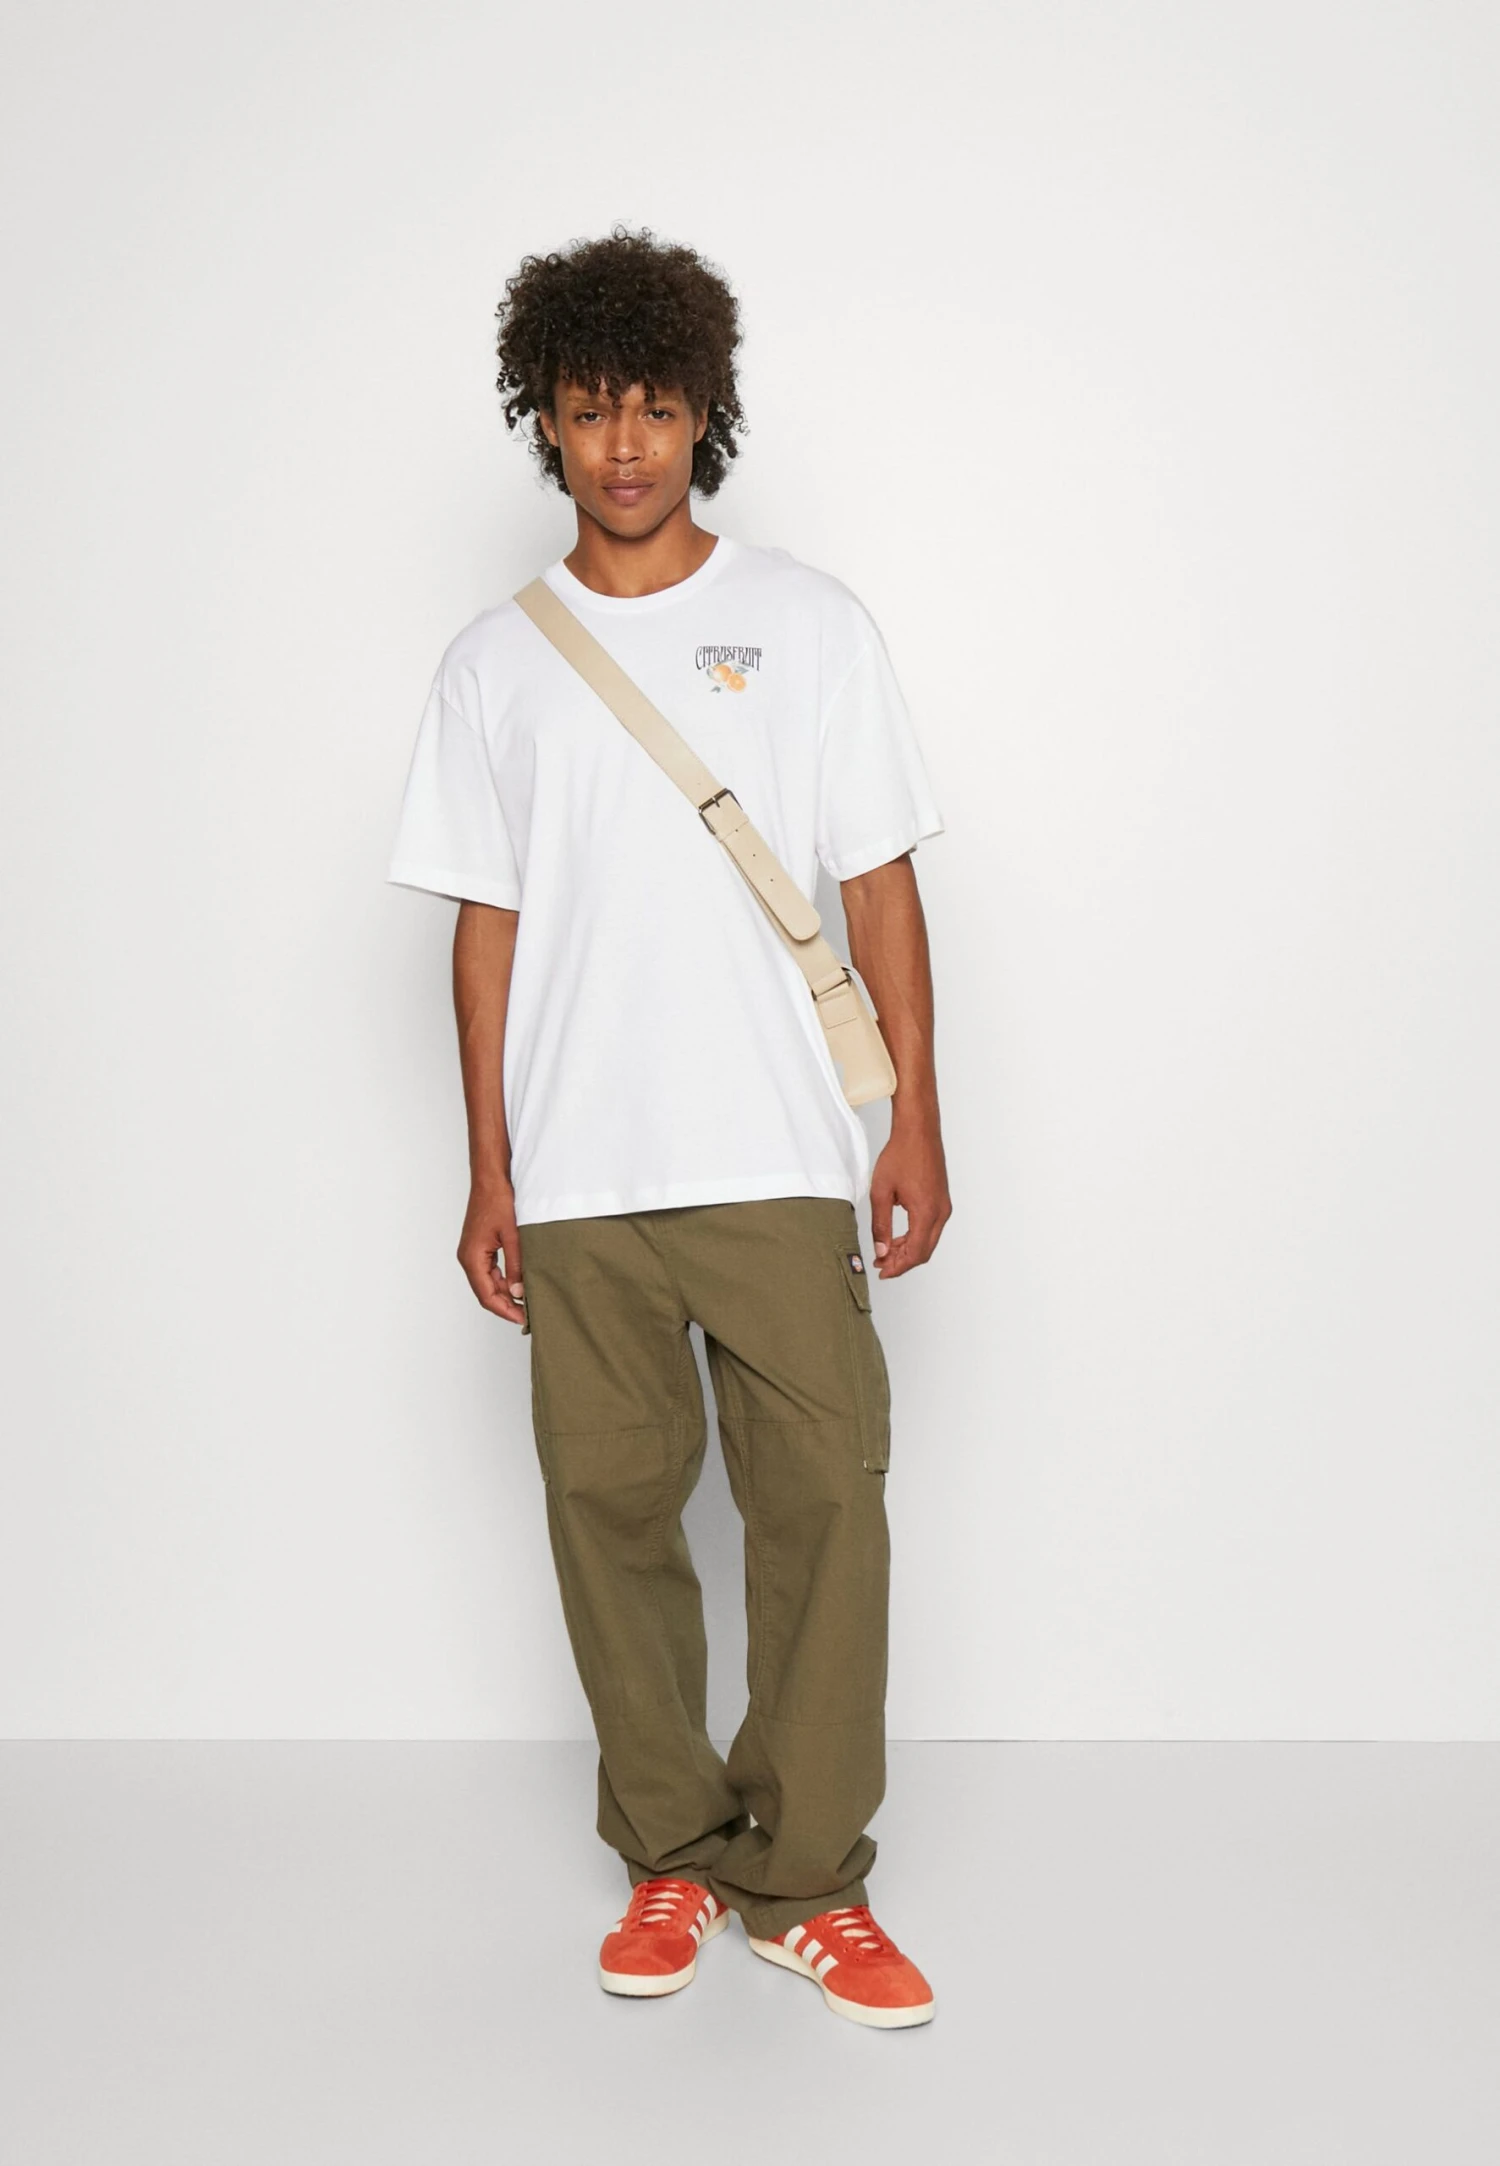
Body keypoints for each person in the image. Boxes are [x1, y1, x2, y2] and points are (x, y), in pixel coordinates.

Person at [387, 225, 951, 2030]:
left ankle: (810, 1882)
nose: (621, 443)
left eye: (652, 406)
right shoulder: (494, 663)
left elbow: (879, 883)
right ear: (542, 423)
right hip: (580, 1170)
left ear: (705, 412)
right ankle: (671, 1850)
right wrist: (488, 1165)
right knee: (607, 1514)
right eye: (586, 410)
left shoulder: (810, 623)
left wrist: (916, 1122)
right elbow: (486, 927)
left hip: (780, 1151)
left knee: (825, 1512)